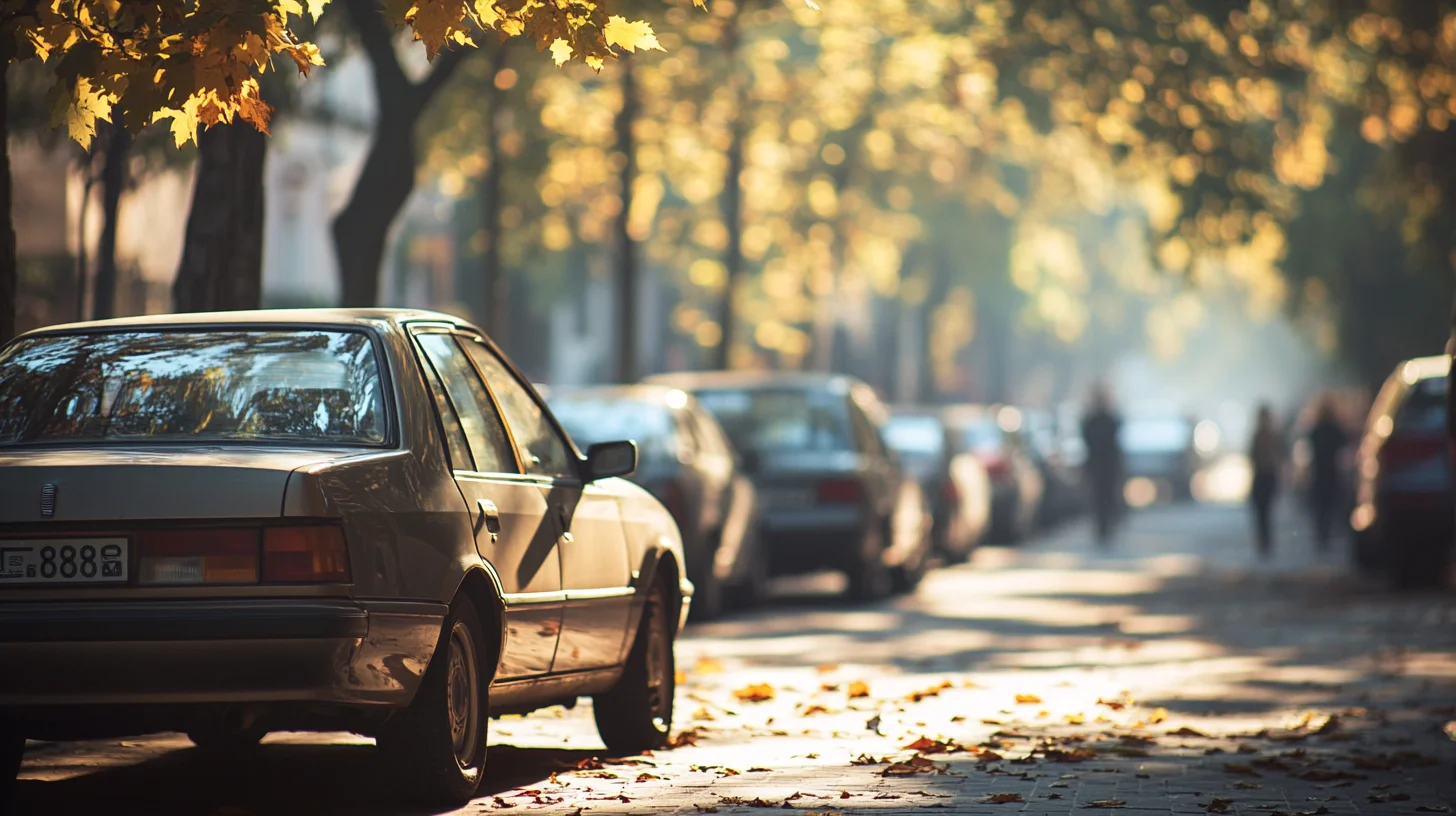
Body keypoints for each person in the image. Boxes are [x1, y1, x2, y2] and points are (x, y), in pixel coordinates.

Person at [1081, 384, 1124, 546]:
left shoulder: (1101, 419)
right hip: (1101, 465)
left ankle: (1106, 526)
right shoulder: (1096, 420)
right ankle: (1102, 527)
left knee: (1104, 497)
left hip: (1104, 465)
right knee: (1100, 497)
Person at [1306, 393, 1348, 551]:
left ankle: (1322, 535)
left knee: (1320, 507)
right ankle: (1326, 534)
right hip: (1331, 472)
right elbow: (1345, 441)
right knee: (1329, 505)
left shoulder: (1316, 430)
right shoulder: (1334, 429)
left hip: (1319, 472)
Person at [1249, 403, 1283, 558]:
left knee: (1262, 512)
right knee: (1265, 512)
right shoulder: (1272, 435)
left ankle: (1265, 542)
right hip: (1267, 476)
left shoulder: (1263, 435)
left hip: (1263, 476)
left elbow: (1252, 456)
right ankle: (1266, 542)